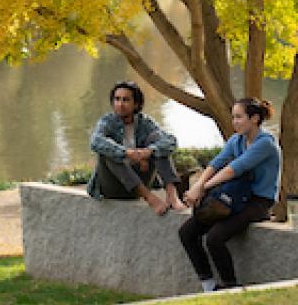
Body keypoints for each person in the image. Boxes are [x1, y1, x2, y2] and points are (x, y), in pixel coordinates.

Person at [179, 97, 280, 292]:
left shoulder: (266, 144)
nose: (234, 122)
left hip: (258, 201)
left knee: (215, 238)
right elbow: (217, 163)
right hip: (235, 195)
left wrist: (203, 187)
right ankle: (209, 286)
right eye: (233, 117)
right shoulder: (237, 140)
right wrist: (198, 185)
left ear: (255, 118)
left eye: (239, 117)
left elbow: (234, 169)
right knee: (187, 233)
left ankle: (231, 289)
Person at [86, 80, 186, 215]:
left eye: (126, 100)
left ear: (136, 104)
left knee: (158, 142)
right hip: (112, 186)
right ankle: (150, 199)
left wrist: (148, 152)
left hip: (139, 181)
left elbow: (170, 141)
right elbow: (95, 141)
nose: (120, 104)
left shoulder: (145, 123)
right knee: (109, 153)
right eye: (117, 99)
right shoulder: (107, 121)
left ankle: (172, 194)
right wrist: (126, 153)